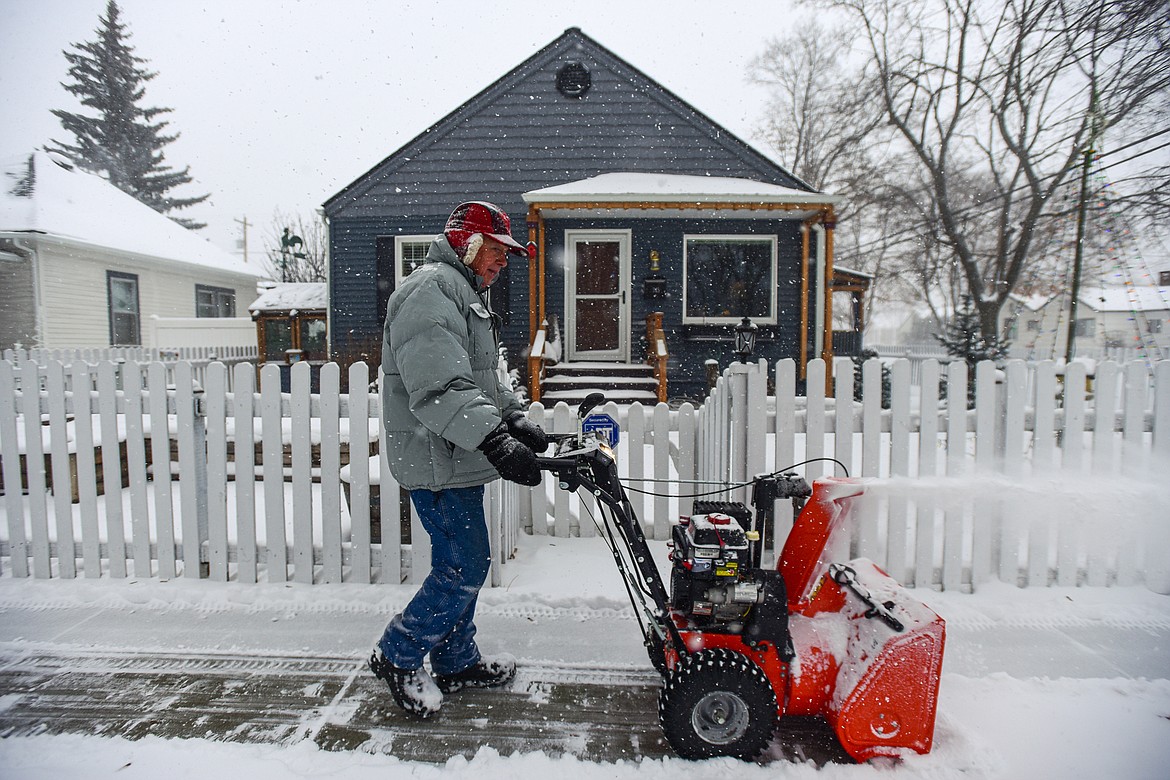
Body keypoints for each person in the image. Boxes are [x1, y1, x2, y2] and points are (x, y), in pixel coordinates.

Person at [369, 201, 548, 718]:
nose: (502, 262)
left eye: (507, 255)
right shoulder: (430, 291)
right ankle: (399, 654)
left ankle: (455, 659)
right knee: (463, 566)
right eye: (496, 251)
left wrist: (511, 416)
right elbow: (438, 388)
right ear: (467, 243)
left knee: (466, 563)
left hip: (455, 453)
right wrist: (493, 439)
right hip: (436, 457)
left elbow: (478, 379)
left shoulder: (462, 292)